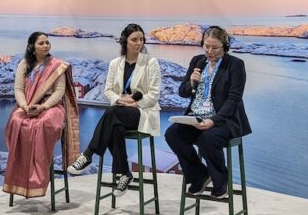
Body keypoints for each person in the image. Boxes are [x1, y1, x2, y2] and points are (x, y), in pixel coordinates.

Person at [67, 23, 162, 196]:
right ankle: (125, 174)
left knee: (112, 113)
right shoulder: (115, 64)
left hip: (143, 112)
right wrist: (119, 100)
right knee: (115, 127)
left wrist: (132, 103)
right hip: (120, 112)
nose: (138, 43)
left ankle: (88, 155)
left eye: (141, 39)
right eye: (134, 39)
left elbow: (154, 95)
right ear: (125, 41)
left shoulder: (151, 62)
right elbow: (108, 91)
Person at [165, 26, 251, 199]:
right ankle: (200, 175)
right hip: (196, 116)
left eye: (215, 48)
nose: (210, 51)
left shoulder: (235, 65)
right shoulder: (197, 61)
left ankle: (221, 181)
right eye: (206, 46)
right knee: (172, 134)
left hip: (224, 120)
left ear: (224, 46)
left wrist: (214, 121)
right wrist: (191, 82)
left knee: (208, 138)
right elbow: (182, 92)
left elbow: (233, 100)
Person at [2, 31, 80, 198]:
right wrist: (24, 106)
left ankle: (38, 177)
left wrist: (43, 107)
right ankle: (19, 178)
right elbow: (18, 89)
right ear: (32, 47)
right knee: (17, 121)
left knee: (41, 124)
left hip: (51, 107)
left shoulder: (57, 65)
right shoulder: (24, 64)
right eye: (41, 43)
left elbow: (59, 92)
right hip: (27, 106)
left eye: (47, 42)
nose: (46, 46)